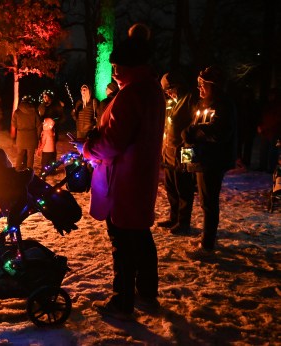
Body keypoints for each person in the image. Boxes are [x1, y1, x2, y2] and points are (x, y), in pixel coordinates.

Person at [82, 23, 165, 320]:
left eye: (118, 66)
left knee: (123, 242)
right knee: (140, 235)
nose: (115, 72)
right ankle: (147, 289)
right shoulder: (152, 90)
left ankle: (122, 300)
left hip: (123, 180)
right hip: (140, 177)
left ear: (132, 65)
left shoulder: (130, 95)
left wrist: (88, 148)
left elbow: (112, 143)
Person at [182, 66, 237, 252]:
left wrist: (193, 132)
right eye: (198, 85)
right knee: (205, 200)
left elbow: (220, 132)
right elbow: (196, 125)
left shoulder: (223, 104)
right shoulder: (203, 103)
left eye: (202, 85)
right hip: (201, 158)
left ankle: (208, 241)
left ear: (213, 85)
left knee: (209, 200)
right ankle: (207, 236)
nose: (199, 88)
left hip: (213, 160)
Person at [157, 72, 197, 235]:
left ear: (177, 86)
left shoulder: (189, 100)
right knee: (171, 187)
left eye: (169, 89)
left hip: (183, 153)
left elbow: (194, 127)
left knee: (184, 188)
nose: (167, 93)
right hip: (169, 153)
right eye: (165, 90)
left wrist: (187, 158)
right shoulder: (170, 102)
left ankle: (183, 222)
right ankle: (174, 218)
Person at [11, 95, 42, 171]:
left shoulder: (17, 112)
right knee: (30, 155)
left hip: (21, 136)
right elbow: (39, 125)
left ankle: (17, 169)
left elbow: (14, 124)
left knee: (20, 154)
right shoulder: (34, 111)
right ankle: (29, 171)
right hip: (32, 136)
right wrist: (38, 137)